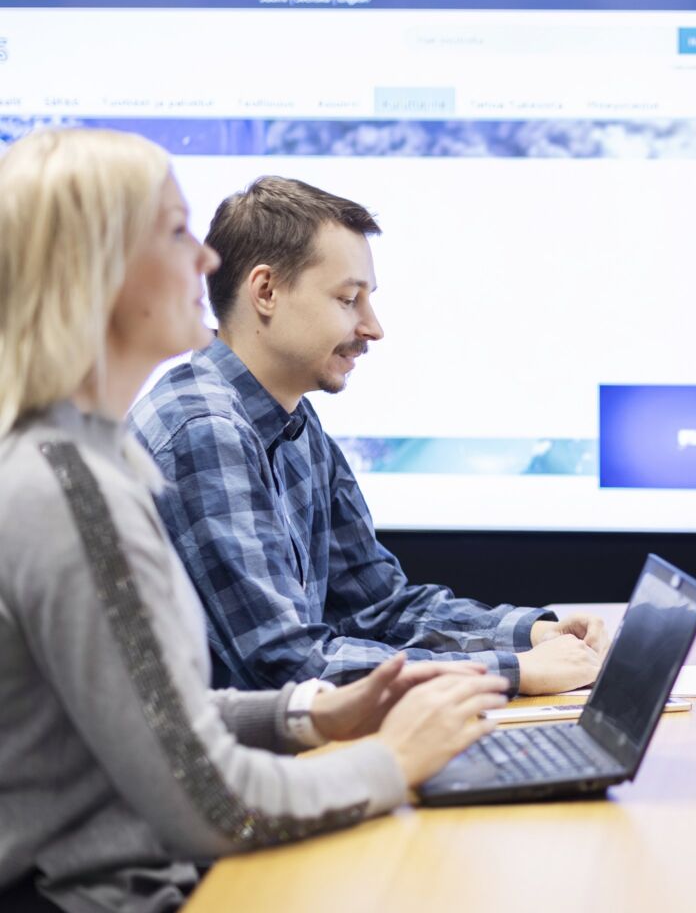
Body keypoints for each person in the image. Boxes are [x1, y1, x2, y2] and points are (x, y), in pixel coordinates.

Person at [0, 129, 510, 912]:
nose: (207, 265)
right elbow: (212, 802)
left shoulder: (87, 458)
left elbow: (154, 708)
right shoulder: (70, 488)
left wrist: (308, 714)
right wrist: (393, 760)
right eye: (176, 233)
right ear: (95, 268)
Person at [128, 176, 604, 695]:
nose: (373, 328)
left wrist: (531, 634)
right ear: (265, 291)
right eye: (348, 299)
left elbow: (378, 608)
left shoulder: (292, 422)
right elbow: (290, 664)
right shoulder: (206, 431)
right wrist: (514, 673)